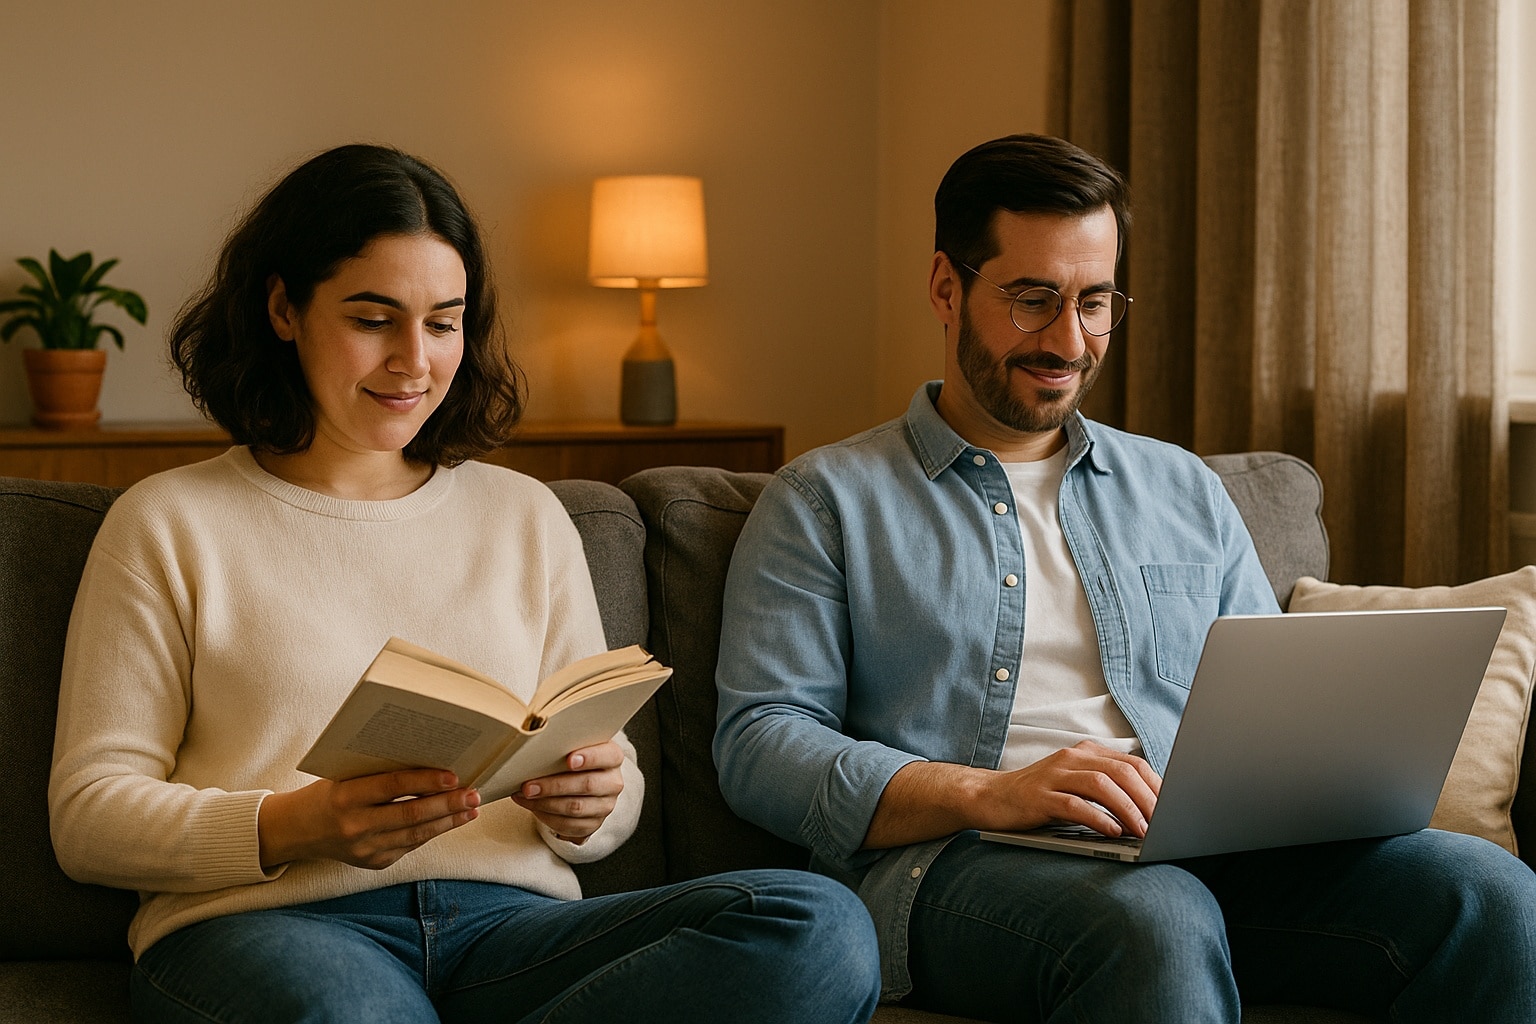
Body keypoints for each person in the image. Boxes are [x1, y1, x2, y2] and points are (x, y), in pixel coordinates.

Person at [49, 143, 880, 1024]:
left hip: (511, 934)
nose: (415, 361)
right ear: (283, 308)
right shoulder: (170, 522)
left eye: (443, 322)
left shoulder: (522, 515)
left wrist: (592, 799)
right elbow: (90, 815)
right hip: (272, 930)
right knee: (354, 1013)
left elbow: (615, 784)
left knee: (816, 926)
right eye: (374, 319)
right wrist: (297, 825)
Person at [713, 133, 1536, 1022]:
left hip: (1193, 856)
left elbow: (1268, 705)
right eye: (1033, 301)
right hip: (955, 864)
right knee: (1156, 919)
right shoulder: (826, 500)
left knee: (1487, 890)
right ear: (946, 288)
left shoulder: (1183, 488)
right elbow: (759, 742)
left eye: (1095, 303)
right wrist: (992, 792)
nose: (1069, 340)